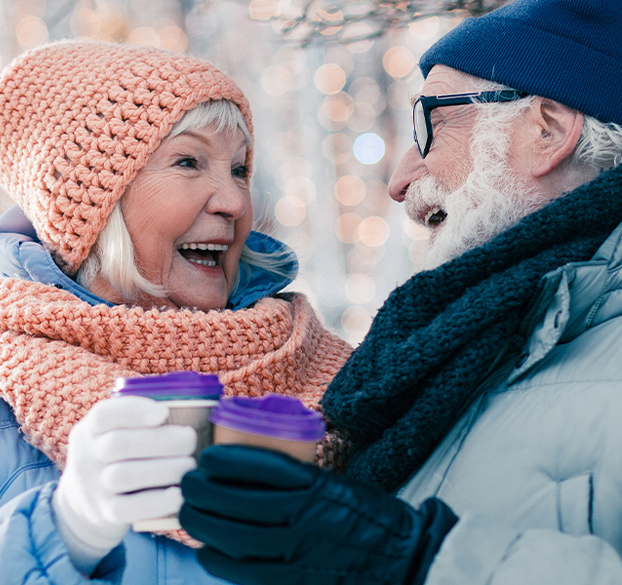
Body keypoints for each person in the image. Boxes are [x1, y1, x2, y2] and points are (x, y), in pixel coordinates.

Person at [0, 41, 353, 585]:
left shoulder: (341, 387)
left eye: (238, 170)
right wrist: (65, 527)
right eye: (188, 161)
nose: (234, 202)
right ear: (97, 210)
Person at [179, 1, 622, 584]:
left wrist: (412, 560)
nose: (398, 181)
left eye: (428, 128)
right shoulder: (468, 340)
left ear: (548, 131)